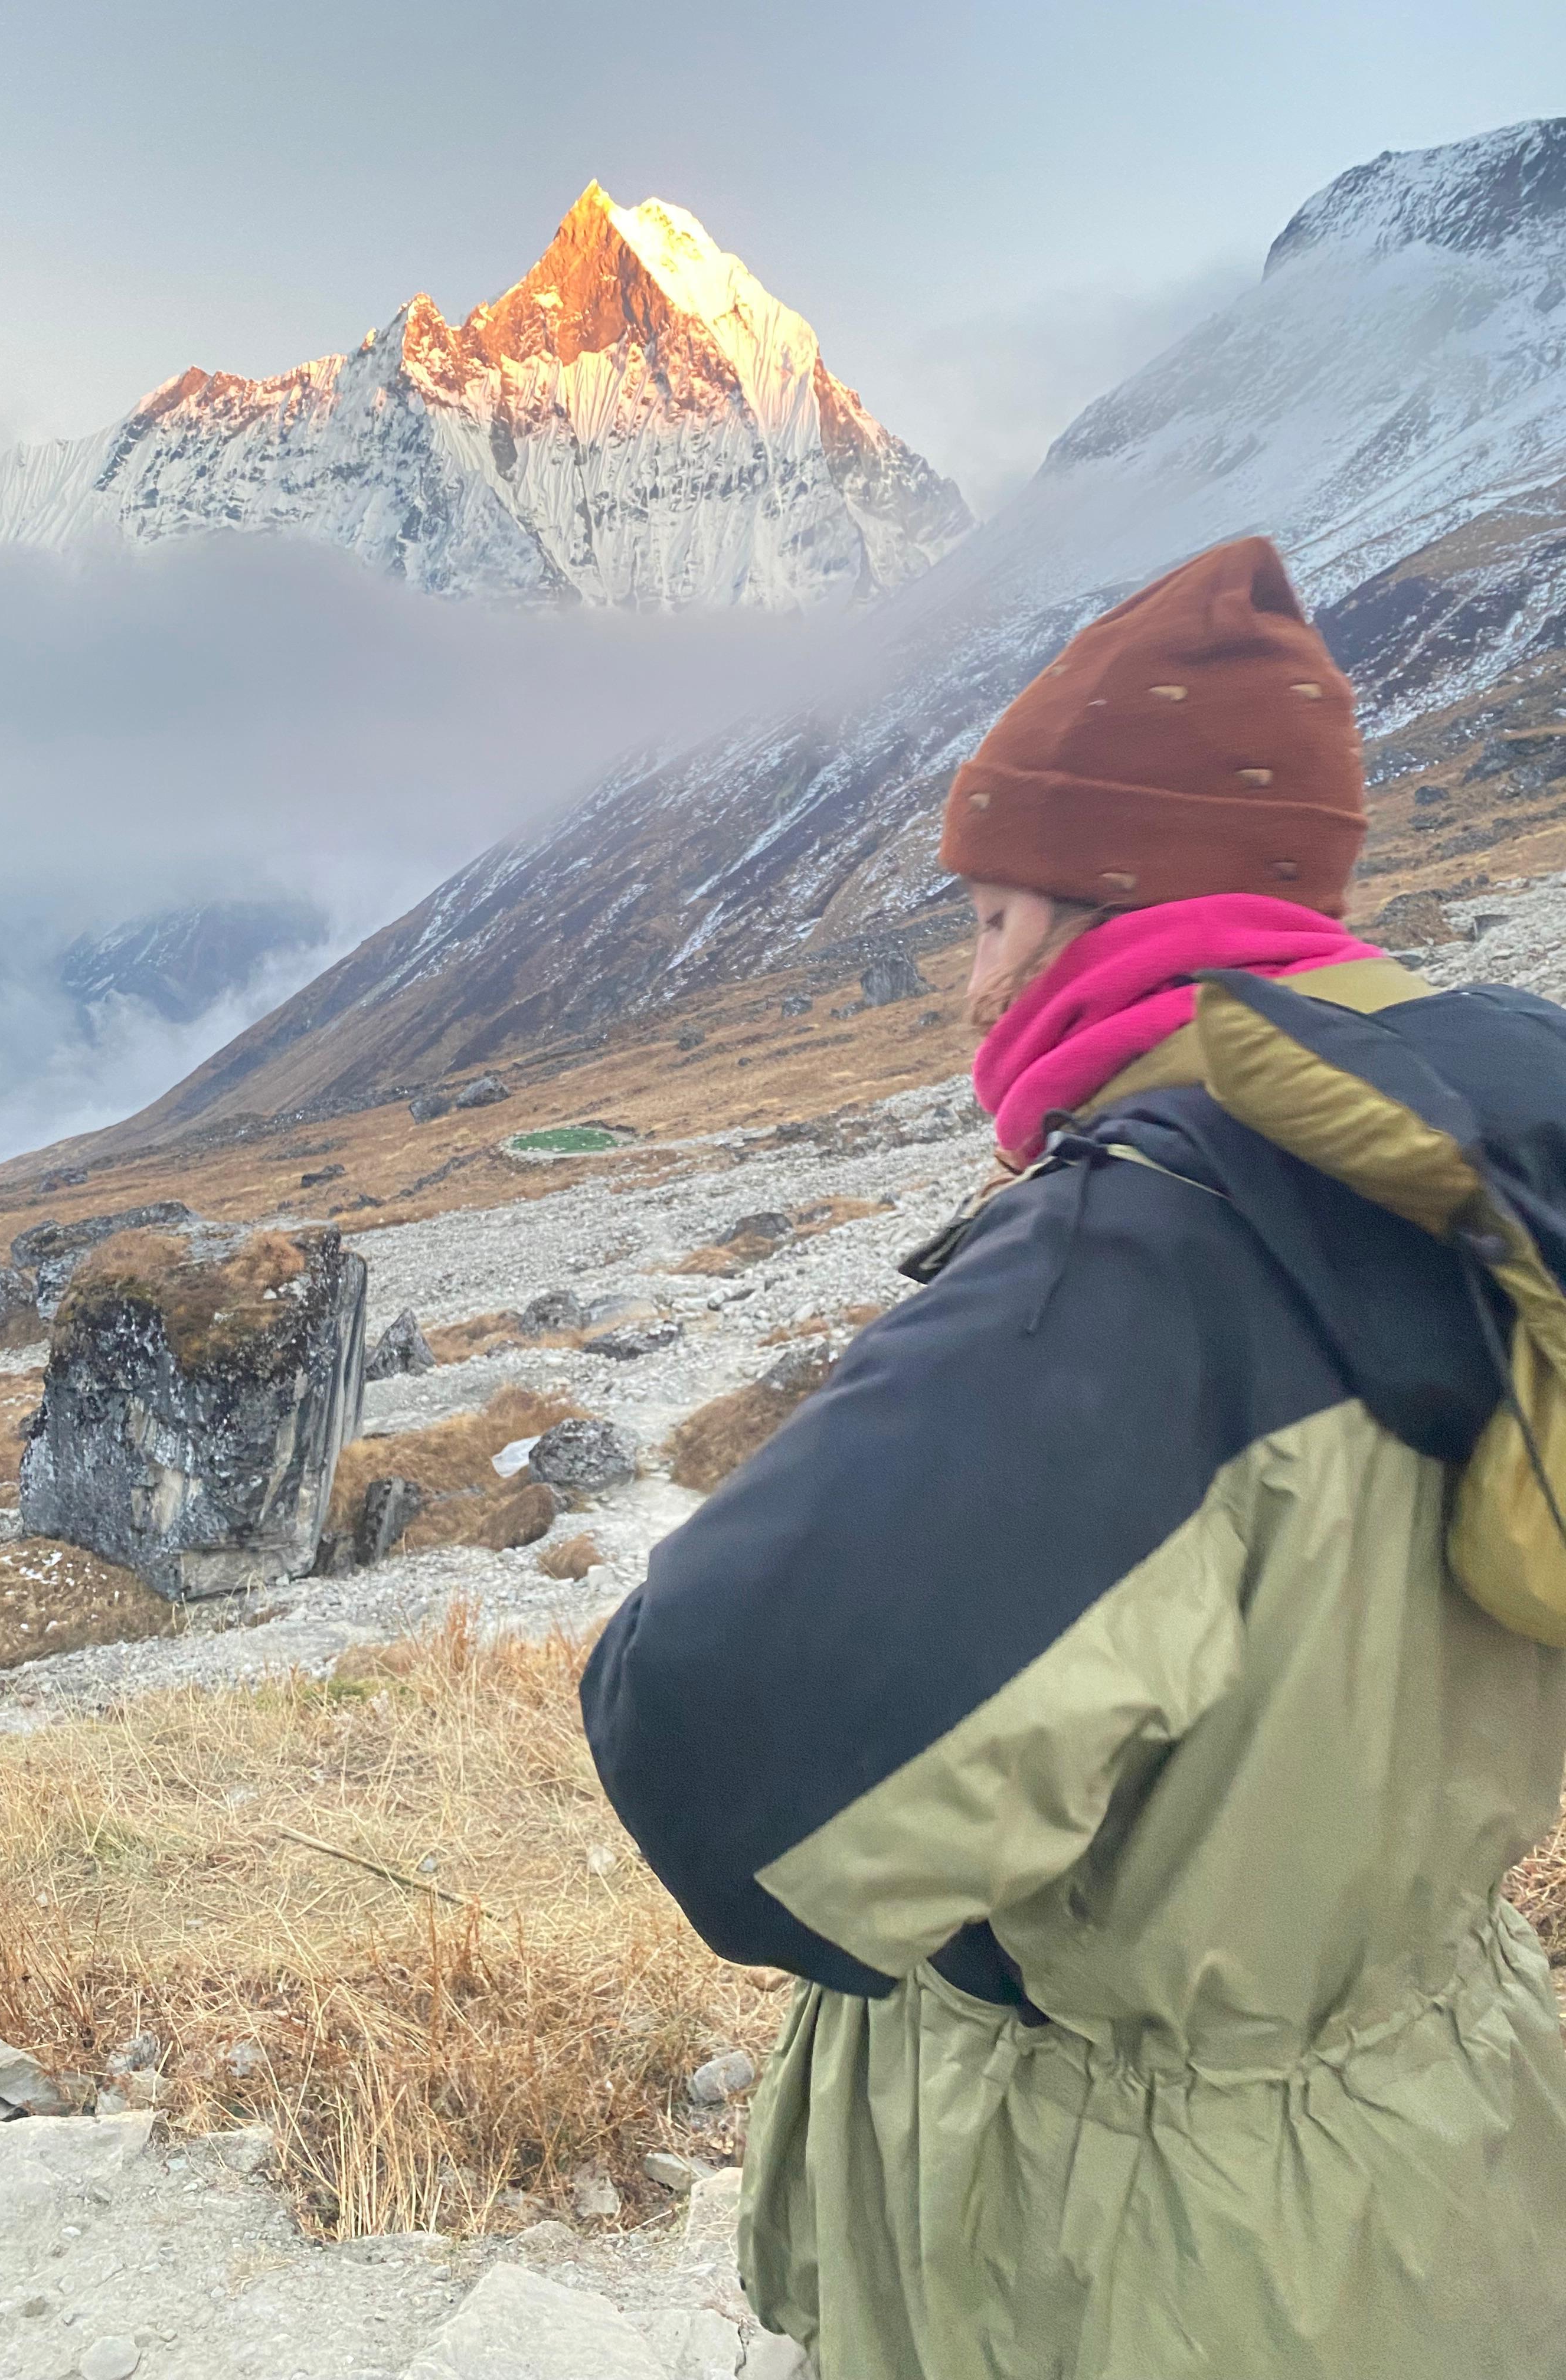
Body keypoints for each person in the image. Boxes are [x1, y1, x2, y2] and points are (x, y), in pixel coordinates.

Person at [581, 536, 1566, 2379]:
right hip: (1440, 2159)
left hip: (1133, 2247)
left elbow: (718, 1758)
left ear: (1129, 899)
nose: (970, 992)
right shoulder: (1496, 1179)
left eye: (992, 918)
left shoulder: (1151, 1259)